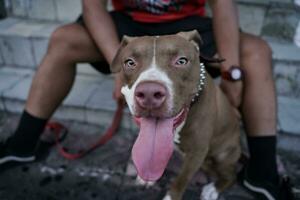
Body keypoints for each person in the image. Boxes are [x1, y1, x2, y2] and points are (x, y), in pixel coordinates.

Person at [0, 0, 294, 199]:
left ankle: (262, 170)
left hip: (186, 24)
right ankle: (23, 144)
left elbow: (223, 4)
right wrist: (120, 69)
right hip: (127, 26)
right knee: (63, 38)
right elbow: (92, 7)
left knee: (257, 52)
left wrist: (230, 72)